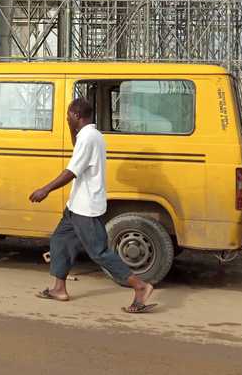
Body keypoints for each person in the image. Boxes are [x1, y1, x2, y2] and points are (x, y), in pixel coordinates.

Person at [29, 98, 156, 314]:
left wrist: (45, 189)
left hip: (85, 207)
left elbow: (72, 171)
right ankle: (59, 288)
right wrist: (72, 129)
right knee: (60, 240)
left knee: (98, 252)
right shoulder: (90, 135)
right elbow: (76, 153)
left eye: (69, 116)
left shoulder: (88, 137)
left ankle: (140, 286)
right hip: (76, 205)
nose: (67, 119)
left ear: (77, 116)